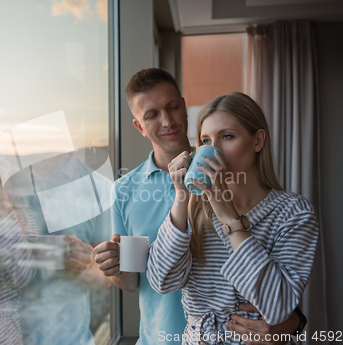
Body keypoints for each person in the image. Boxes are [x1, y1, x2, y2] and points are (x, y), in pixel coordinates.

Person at [95, 68, 305, 345]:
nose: (167, 121)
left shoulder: (262, 198)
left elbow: (276, 298)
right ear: (139, 126)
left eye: (172, 107)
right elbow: (142, 280)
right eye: (152, 114)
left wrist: (293, 322)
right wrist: (116, 268)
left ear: (184, 107)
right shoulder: (125, 191)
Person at [146, 92, 319, 344]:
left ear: (258, 141)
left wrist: (230, 219)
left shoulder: (293, 212)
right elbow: (162, 281)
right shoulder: (194, 210)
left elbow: (277, 306)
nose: (213, 149)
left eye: (227, 136)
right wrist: (181, 197)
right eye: (205, 140)